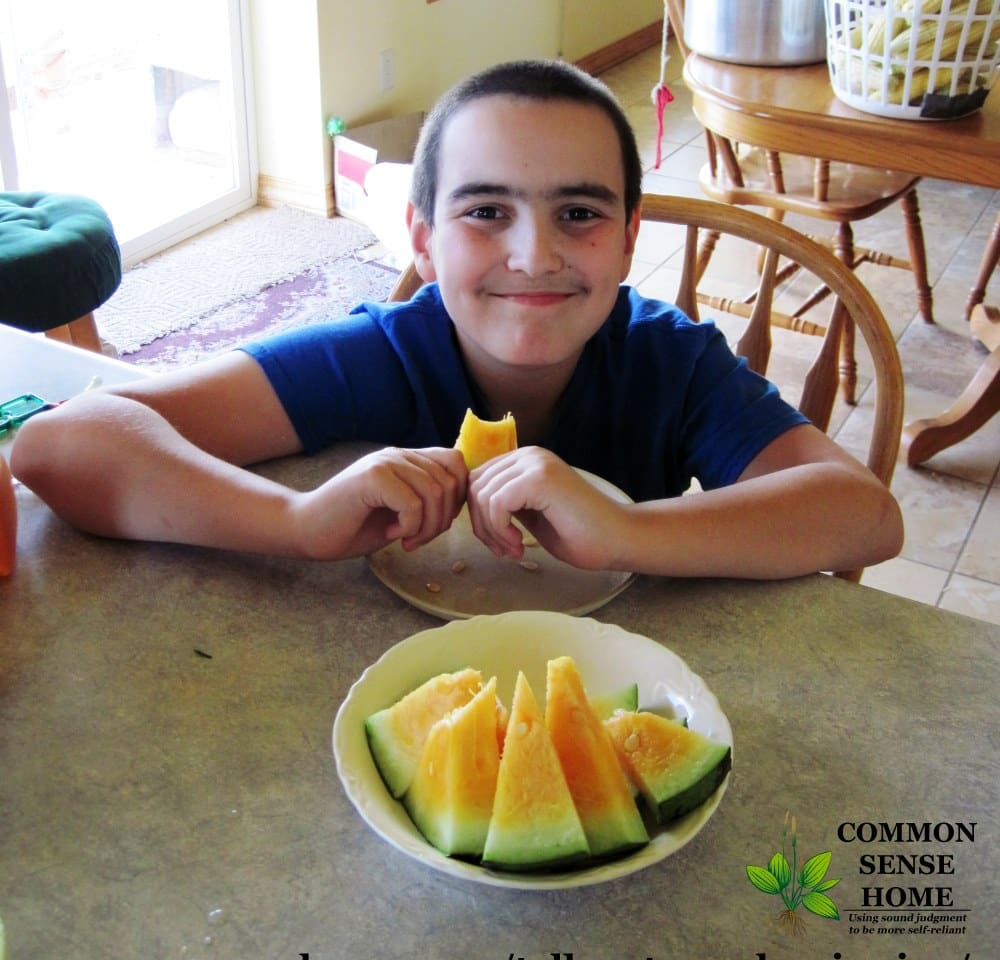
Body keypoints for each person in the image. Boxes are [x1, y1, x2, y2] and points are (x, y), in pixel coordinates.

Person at [11, 59, 903, 579]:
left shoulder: (671, 364)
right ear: (423, 240)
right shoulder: (379, 356)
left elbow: (864, 516)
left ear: (630, 240)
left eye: (581, 214)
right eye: (485, 212)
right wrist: (293, 521)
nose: (533, 254)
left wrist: (626, 530)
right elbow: (62, 445)